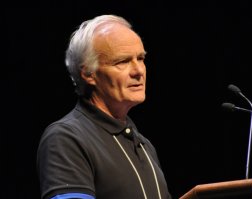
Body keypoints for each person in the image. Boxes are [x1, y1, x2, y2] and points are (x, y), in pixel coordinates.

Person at [36, 14, 172, 199]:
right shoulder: (66, 137)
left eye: (140, 58)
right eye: (122, 61)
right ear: (89, 73)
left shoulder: (144, 145)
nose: (138, 71)